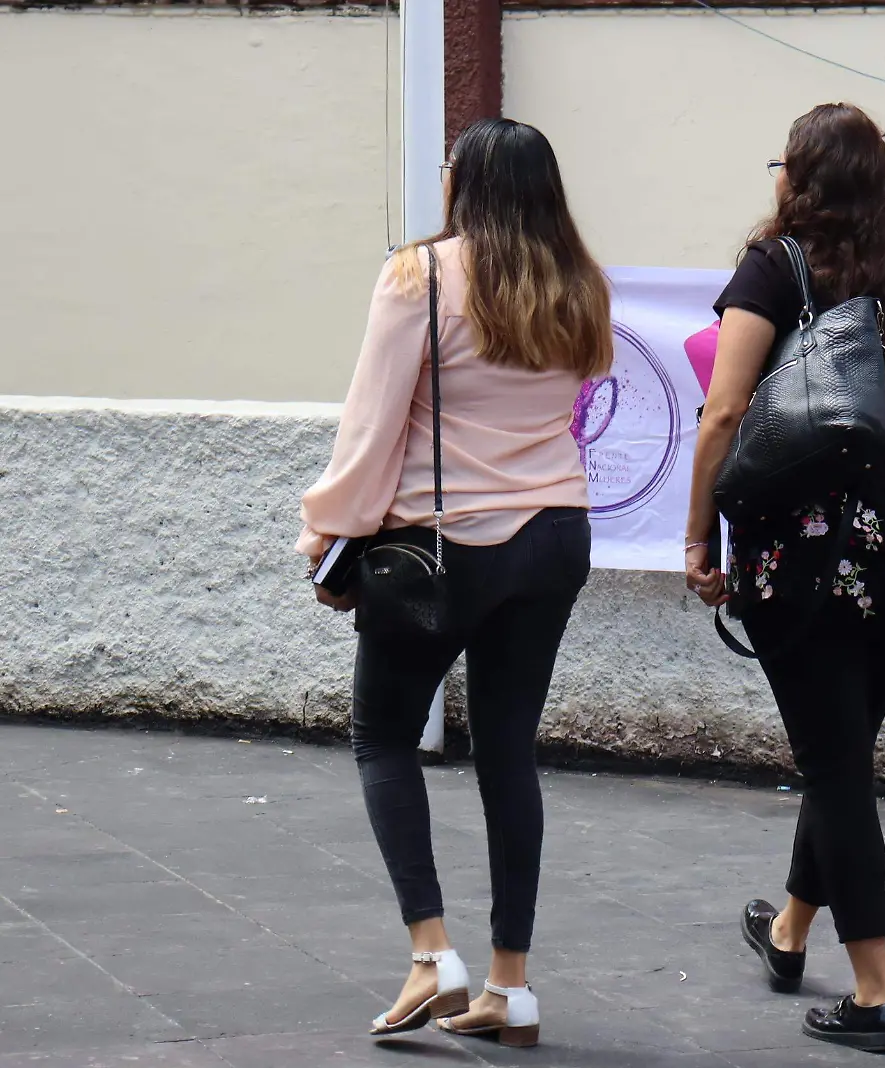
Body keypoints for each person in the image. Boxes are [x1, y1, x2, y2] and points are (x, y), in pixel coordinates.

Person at [683, 102, 885, 1054]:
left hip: (806, 563)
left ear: (803, 179)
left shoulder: (774, 269)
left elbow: (724, 415)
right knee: (841, 750)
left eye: (781, 161)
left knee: (836, 767)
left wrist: (697, 538)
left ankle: (874, 992)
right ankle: (787, 934)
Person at [296, 117, 610, 1049]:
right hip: (556, 533)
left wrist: (327, 534)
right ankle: (511, 986)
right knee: (509, 751)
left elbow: (371, 428)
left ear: (461, 186)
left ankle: (434, 953)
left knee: (382, 737)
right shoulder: (579, 282)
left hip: (447, 546)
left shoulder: (419, 277)